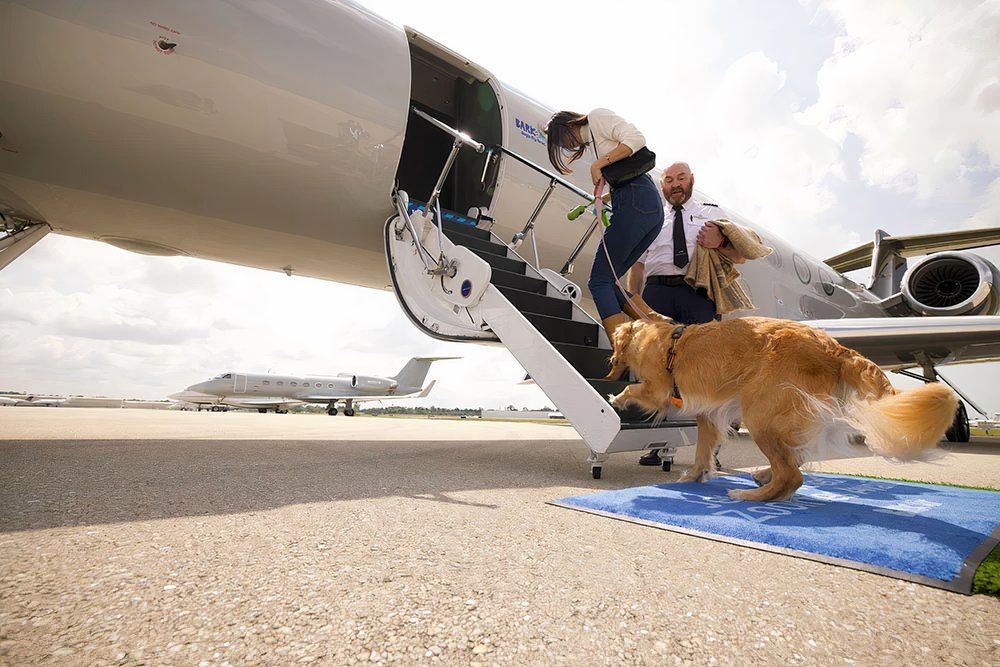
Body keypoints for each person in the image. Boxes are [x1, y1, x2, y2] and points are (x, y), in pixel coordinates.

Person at [627, 162, 747, 467]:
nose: (675, 184)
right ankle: (656, 444)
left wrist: (719, 242)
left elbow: (740, 255)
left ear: (691, 180)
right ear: (662, 185)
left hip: (698, 293)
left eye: (681, 178)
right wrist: (636, 305)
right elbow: (637, 265)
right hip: (656, 294)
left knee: (707, 371)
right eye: (669, 180)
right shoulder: (652, 218)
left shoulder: (711, 211)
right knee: (657, 370)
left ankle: (709, 451)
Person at [543, 109, 667, 344]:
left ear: (567, 125)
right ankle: (659, 324)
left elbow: (636, 139)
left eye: (561, 139)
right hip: (645, 205)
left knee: (598, 281)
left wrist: (599, 165)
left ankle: (623, 352)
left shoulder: (597, 117)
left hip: (635, 200)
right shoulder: (595, 141)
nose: (566, 146)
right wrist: (606, 195)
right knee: (609, 282)